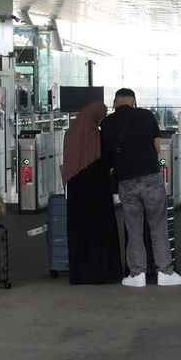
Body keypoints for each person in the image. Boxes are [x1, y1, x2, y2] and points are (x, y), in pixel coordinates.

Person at [102, 88, 181, 287]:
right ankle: (165, 273)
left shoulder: (106, 123)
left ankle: (136, 275)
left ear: (114, 103)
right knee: (158, 226)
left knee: (134, 229)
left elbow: (107, 156)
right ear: (133, 101)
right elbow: (157, 148)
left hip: (126, 180)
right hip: (150, 177)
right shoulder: (146, 115)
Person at [61, 100, 123, 285]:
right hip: (97, 188)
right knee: (100, 230)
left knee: (79, 230)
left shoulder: (70, 133)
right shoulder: (96, 134)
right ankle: (103, 273)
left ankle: (80, 274)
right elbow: (107, 160)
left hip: (75, 188)